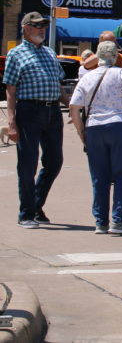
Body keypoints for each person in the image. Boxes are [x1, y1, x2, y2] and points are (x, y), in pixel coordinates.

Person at [68, 41, 122, 234]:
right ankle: (118, 220)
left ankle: (101, 221)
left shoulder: (87, 77)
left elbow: (74, 107)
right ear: (116, 57)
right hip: (121, 124)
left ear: (97, 57)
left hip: (94, 128)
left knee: (99, 177)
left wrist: (81, 131)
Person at [3, 12, 67, 228]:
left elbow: (58, 86)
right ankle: (26, 214)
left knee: (55, 162)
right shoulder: (16, 54)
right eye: (37, 26)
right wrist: (11, 122)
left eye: (44, 26)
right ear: (25, 28)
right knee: (28, 164)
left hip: (53, 112)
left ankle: (36, 204)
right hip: (29, 111)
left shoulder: (50, 53)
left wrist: (73, 106)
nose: (42, 29)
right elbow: (10, 90)